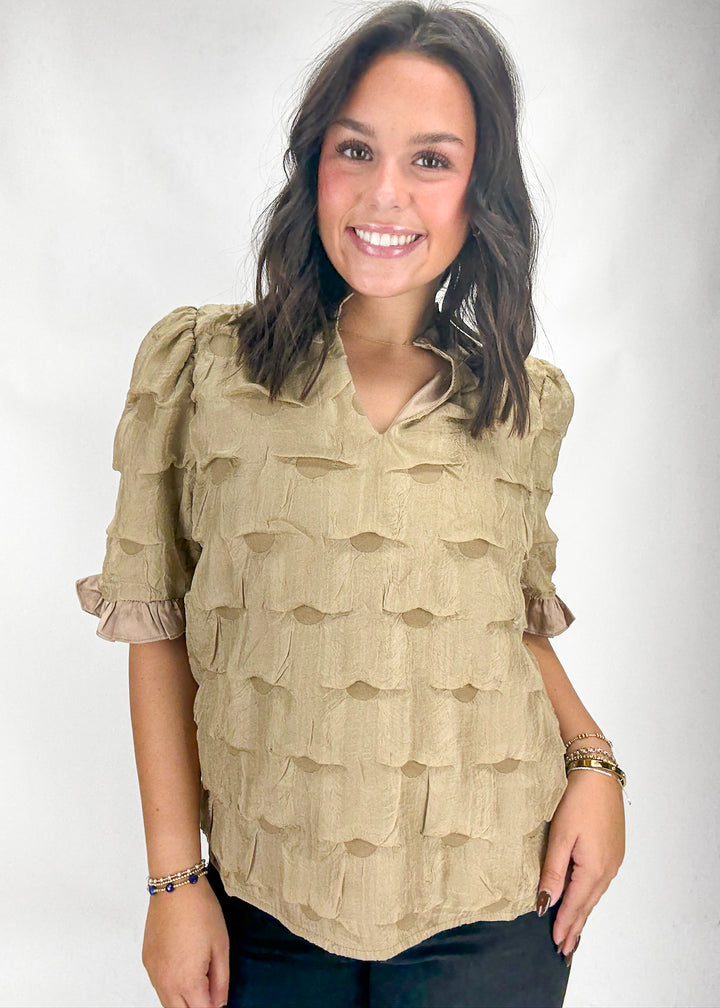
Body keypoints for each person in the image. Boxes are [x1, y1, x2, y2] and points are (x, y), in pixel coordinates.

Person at [76, 3, 625, 1006]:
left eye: (431, 159)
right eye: (357, 149)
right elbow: (155, 624)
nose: (384, 192)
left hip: (496, 904)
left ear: (478, 192)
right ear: (313, 163)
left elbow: (511, 620)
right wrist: (174, 879)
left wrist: (595, 762)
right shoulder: (202, 368)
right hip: (264, 908)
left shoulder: (520, 400)